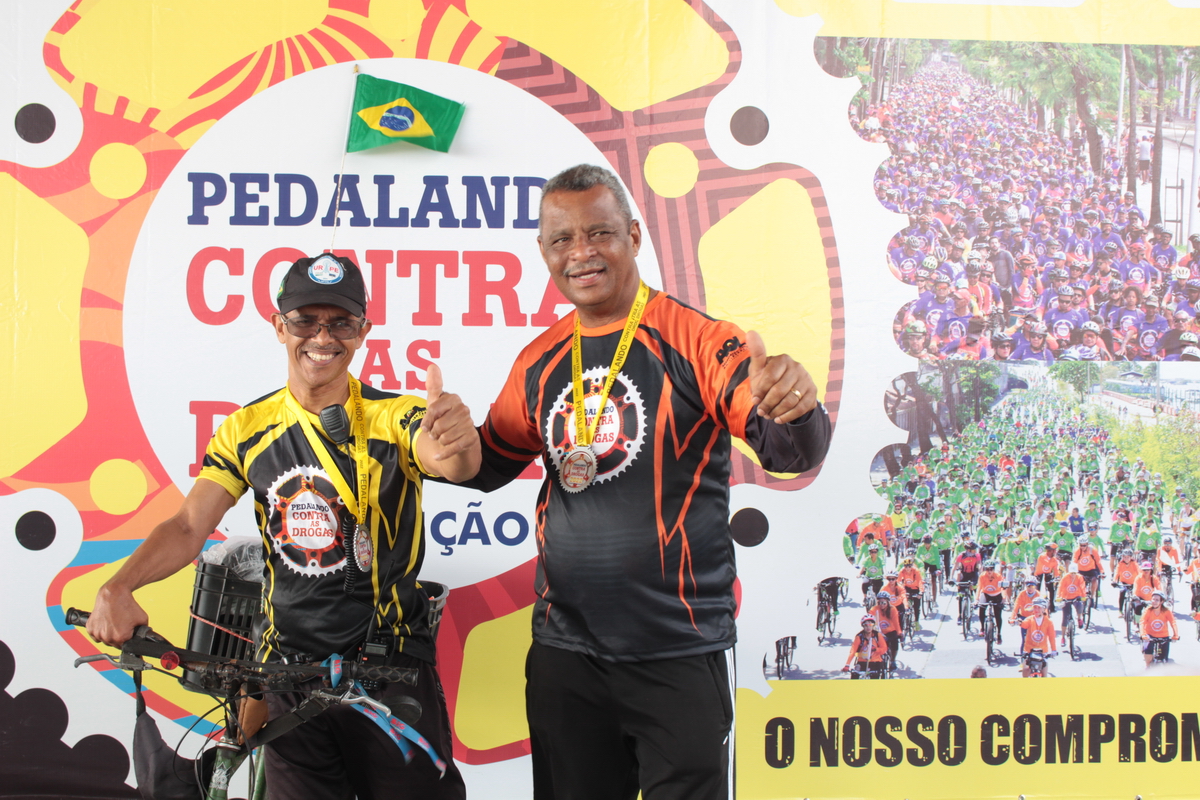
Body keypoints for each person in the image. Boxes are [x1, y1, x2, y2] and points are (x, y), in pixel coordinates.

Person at [465, 165, 832, 800]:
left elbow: (787, 450)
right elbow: (486, 464)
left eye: (600, 232)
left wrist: (797, 411)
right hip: (566, 657)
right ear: (543, 251)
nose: (581, 252)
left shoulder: (699, 340)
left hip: (677, 653)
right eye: (562, 239)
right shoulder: (538, 360)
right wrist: (442, 444)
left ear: (634, 236)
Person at [85, 255, 479, 799]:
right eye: (305, 321)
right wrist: (118, 586)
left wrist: (457, 441)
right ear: (279, 326)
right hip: (287, 678)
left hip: (387, 676)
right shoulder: (246, 428)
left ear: (362, 332)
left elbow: (451, 462)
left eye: (340, 323)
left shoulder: (397, 417)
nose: (323, 336)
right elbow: (188, 524)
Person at [1140, 590, 1178, 666]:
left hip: (1163, 636)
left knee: (1164, 659)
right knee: (1148, 652)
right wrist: (1143, 634)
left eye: (1157, 600)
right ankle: (1147, 667)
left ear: (1161, 602)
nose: (1154, 601)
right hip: (1150, 635)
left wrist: (1175, 635)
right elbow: (1142, 622)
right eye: (1153, 599)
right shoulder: (1148, 610)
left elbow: (1173, 622)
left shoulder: (1166, 611)